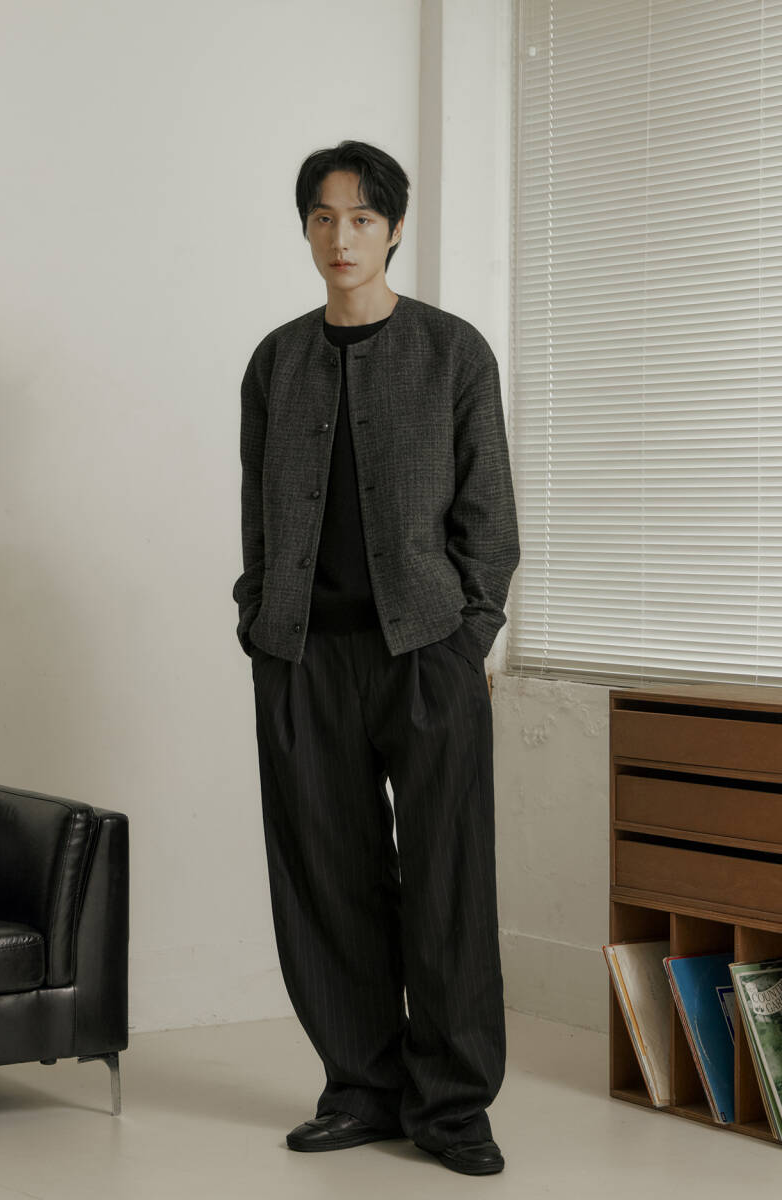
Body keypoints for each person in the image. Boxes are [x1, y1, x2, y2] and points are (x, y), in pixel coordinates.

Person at [232, 139, 520, 1177]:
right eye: (322, 217)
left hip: (426, 653)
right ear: (306, 229)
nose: (340, 236)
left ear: (394, 228)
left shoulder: (452, 352)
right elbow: (260, 518)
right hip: (303, 657)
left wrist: (467, 635)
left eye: (360, 217)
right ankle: (361, 1087)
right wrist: (259, 619)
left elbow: (490, 520)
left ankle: (453, 1106)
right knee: (326, 875)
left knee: (447, 876)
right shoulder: (276, 361)